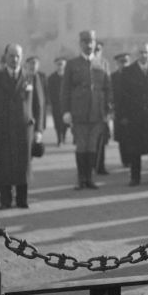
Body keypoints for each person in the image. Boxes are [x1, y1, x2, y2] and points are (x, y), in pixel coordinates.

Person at [0, 44, 44, 208]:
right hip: (2, 129)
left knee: (22, 164)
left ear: (22, 57)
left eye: (18, 56)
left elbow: (39, 105)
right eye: (11, 56)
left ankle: (22, 199)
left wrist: (39, 129)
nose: (15, 59)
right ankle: (5, 199)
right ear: (6, 57)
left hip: (24, 130)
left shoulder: (31, 77)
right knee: (3, 165)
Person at [61, 30, 111, 190]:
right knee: (81, 146)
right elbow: (65, 90)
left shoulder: (103, 63)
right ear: (80, 44)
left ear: (95, 43)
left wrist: (109, 110)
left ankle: (89, 178)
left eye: (91, 42)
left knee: (92, 147)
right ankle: (81, 179)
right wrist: (66, 111)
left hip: (97, 113)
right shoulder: (72, 64)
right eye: (85, 42)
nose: (89, 45)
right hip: (79, 113)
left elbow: (108, 89)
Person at [119, 43, 148, 186]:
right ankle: (135, 178)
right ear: (136, 54)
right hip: (135, 118)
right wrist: (123, 116)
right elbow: (122, 97)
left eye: (146, 52)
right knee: (135, 150)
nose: (144, 55)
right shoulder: (128, 71)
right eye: (141, 52)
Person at [93, 41, 112, 175]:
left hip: (101, 107)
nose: (96, 52)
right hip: (86, 108)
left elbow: (108, 86)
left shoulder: (104, 63)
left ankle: (100, 166)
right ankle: (88, 167)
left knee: (101, 139)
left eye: (98, 50)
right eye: (95, 50)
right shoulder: (83, 64)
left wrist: (109, 106)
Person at [111, 52, 131, 167]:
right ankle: (125, 160)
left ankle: (132, 160)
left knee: (132, 137)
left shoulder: (133, 75)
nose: (124, 64)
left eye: (126, 61)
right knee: (122, 139)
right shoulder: (113, 77)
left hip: (132, 112)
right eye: (121, 62)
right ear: (117, 63)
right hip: (118, 113)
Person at [47, 57, 69, 146]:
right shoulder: (51, 78)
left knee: (65, 121)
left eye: (62, 64)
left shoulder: (68, 77)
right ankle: (59, 138)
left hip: (66, 104)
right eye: (58, 64)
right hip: (56, 104)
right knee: (57, 121)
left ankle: (63, 135)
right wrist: (49, 103)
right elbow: (49, 91)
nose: (60, 66)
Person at [25, 56, 48, 130]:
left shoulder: (42, 77)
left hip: (39, 107)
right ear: (26, 64)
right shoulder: (23, 77)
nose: (33, 66)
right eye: (31, 63)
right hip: (27, 109)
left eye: (36, 63)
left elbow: (45, 91)